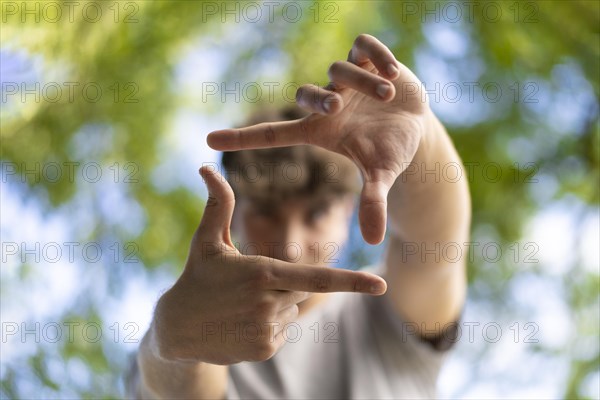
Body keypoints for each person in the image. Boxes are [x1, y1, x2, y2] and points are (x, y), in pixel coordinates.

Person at [127, 34, 471, 399]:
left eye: (316, 214)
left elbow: (435, 246)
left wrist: (421, 136)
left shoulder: (383, 310)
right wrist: (172, 342)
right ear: (234, 214)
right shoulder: (194, 327)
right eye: (265, 212)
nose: (290, 247)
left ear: (347, 211)